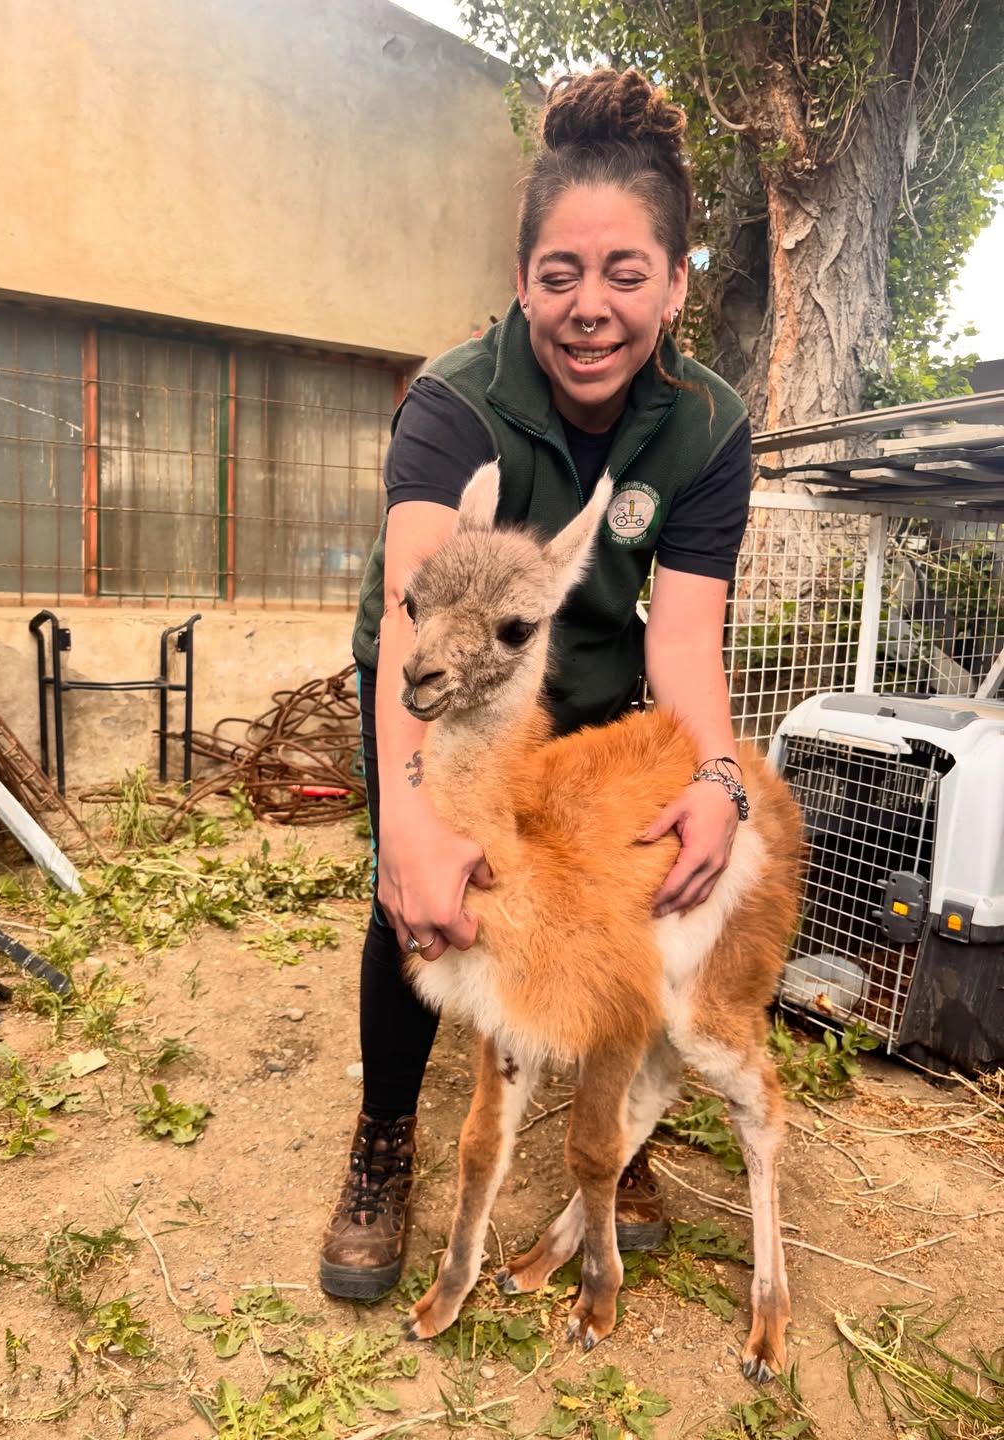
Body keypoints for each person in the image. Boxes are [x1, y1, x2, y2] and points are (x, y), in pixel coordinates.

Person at [319, 67, 754, 1301]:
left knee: (611, 896)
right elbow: (419, 617)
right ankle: (385, 1137)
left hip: (604, 694)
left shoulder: (709, 428)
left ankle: (605, 1145)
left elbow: (684, 642)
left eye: (628, 275)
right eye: (560, 274)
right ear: (522, 282)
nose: (592, 308)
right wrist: (408, 821)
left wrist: (717, 777)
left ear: (676, 282)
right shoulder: (454, 400)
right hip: (455, 690)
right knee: (419, 887)